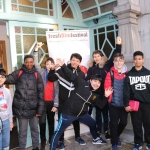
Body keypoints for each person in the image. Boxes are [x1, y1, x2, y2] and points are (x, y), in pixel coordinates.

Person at [49, 58, 113, 150]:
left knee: (92, 123)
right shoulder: (82, 83)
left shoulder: (95, 95)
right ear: (90, 80)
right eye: (95, 81)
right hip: (68, 114)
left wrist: (106, 96)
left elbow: (101, 105)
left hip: (82, 114)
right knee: (58, 132)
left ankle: (95, 138)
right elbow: (71, 76)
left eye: (99, 82)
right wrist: (63, 65)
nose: (97, 83)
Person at [2, 55, 44, 150]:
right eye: (27, 62)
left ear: (33, 63)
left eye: (31, 62)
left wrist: (40, 109)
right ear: (24, 63)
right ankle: (22, 148)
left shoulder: (37, 75)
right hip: (21, 109)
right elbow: (6, 79)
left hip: (34, 109)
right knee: (22, 132)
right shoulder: (19, 73)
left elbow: (41, 93)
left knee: (35, 130)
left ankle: (35, 147)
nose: (29, 63)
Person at [86, 37, 122, 140]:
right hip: (94, 95)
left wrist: (118, 45)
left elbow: (115, 55)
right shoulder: (91, 68)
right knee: (97, 114)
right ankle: (97, 130)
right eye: (94, 56)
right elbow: (88, 80)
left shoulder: (107, 65)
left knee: (106, 114)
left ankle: (106, 130)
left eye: (98, 56)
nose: (96, 58)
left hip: (105, 94)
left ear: (101, 57)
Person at [48, 53, 86, 149]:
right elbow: (51, 78)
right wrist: (52, 70)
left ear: (80, 62)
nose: (75, 62)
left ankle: (77, 136)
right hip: (62, 102)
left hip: (75, 102)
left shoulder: (81, 74)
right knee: (62, 122)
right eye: (73, 60)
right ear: (70, 60)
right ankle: (61, 141)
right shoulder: (62, 70)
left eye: (77, 61)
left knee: (76, 120)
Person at [33, 42, 59, 150]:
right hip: (42, 103)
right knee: (42, 123)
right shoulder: (42, 72)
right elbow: (35, 64)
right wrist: (35, 50)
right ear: (46, 64)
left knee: (51, 123)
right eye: (47, 63)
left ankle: (52, 141)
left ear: (54, 65)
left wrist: (56, 105)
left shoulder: (57, 75)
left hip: (51, 103)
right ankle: (43, 142)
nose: (49, 65)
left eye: (51, 64)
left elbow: (57, 91)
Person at [124, 51, 150, 150]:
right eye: (135, 59)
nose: (137, 61)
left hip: (147, 104)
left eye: (139, 59)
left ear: (143, 60)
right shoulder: (129, 74)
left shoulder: (148, 73)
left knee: (148, 124)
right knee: (137, 125)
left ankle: (149, 142)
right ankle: (138, 143)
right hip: (135, 104)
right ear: (133, 61)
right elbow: (126, 91)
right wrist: (126, 104)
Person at [104, 53, 128, 150]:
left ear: (123, 61)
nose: (119, 62)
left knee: (123, 122)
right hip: (113, 103)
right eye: (116, 60)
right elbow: (107, 86)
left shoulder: (127, 73)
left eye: (121, 60)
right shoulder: (110, 73)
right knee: (113, 124)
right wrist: (108, 95)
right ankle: (114, 143)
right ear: (113, 62)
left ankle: (116, 135)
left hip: (123, 104)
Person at [0, 67, 13, 150]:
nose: (0, 79)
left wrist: (11, 121)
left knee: (6, 145)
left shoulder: (7, 91)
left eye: (2, 76)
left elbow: (9, 107)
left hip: (6, 121)